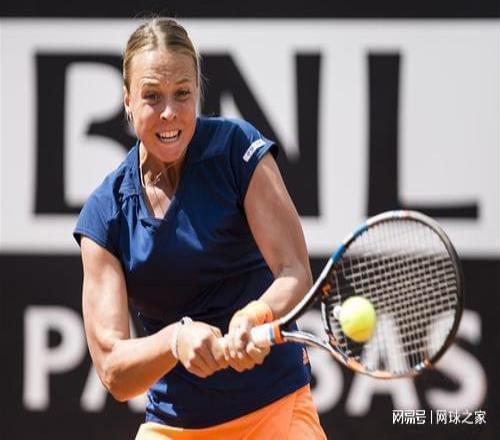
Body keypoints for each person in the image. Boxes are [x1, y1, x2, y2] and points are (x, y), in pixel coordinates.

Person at [74, 17, 326, 439]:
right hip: (173, 427)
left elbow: (294, 271)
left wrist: (256, 315)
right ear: (127, 100)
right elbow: (114, 372)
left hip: (276, 412)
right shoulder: (105, 214)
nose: (169, 112)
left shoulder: (236, 150)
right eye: (152, 96)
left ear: (197, 92)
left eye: (182, 94)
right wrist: (176, 341)